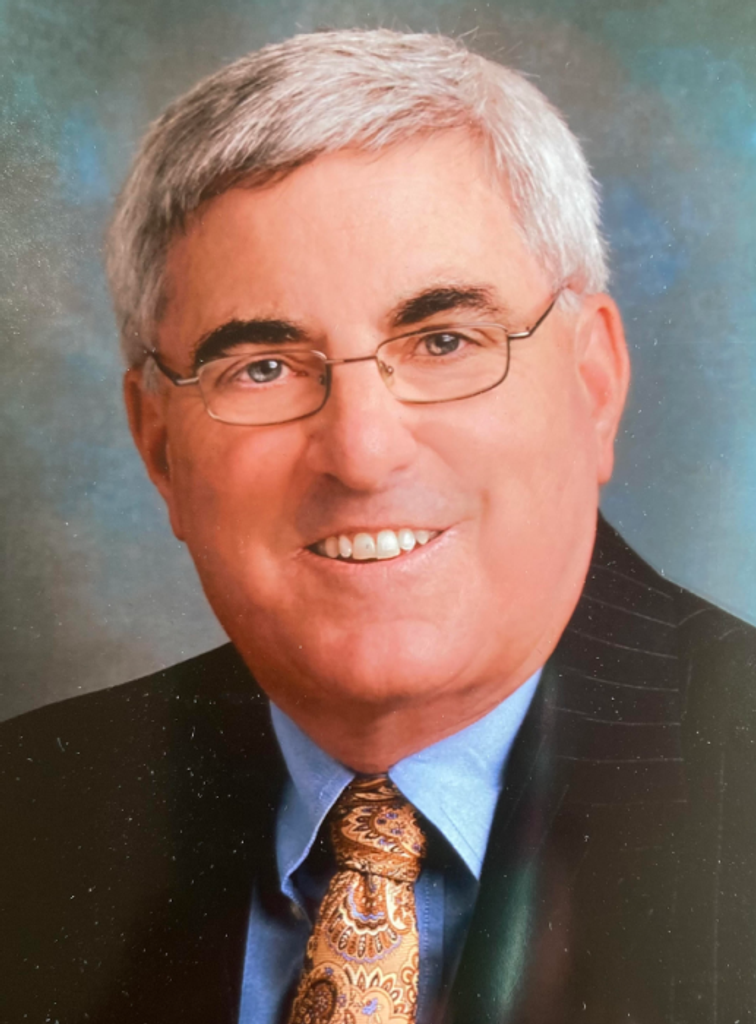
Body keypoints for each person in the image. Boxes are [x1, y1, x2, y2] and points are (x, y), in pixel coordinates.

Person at [2, 28, 755, 1024]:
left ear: (594, 383)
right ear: (159, 446)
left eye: (443, 341)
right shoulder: (26, 815)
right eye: (263, 368)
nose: (360, 453)